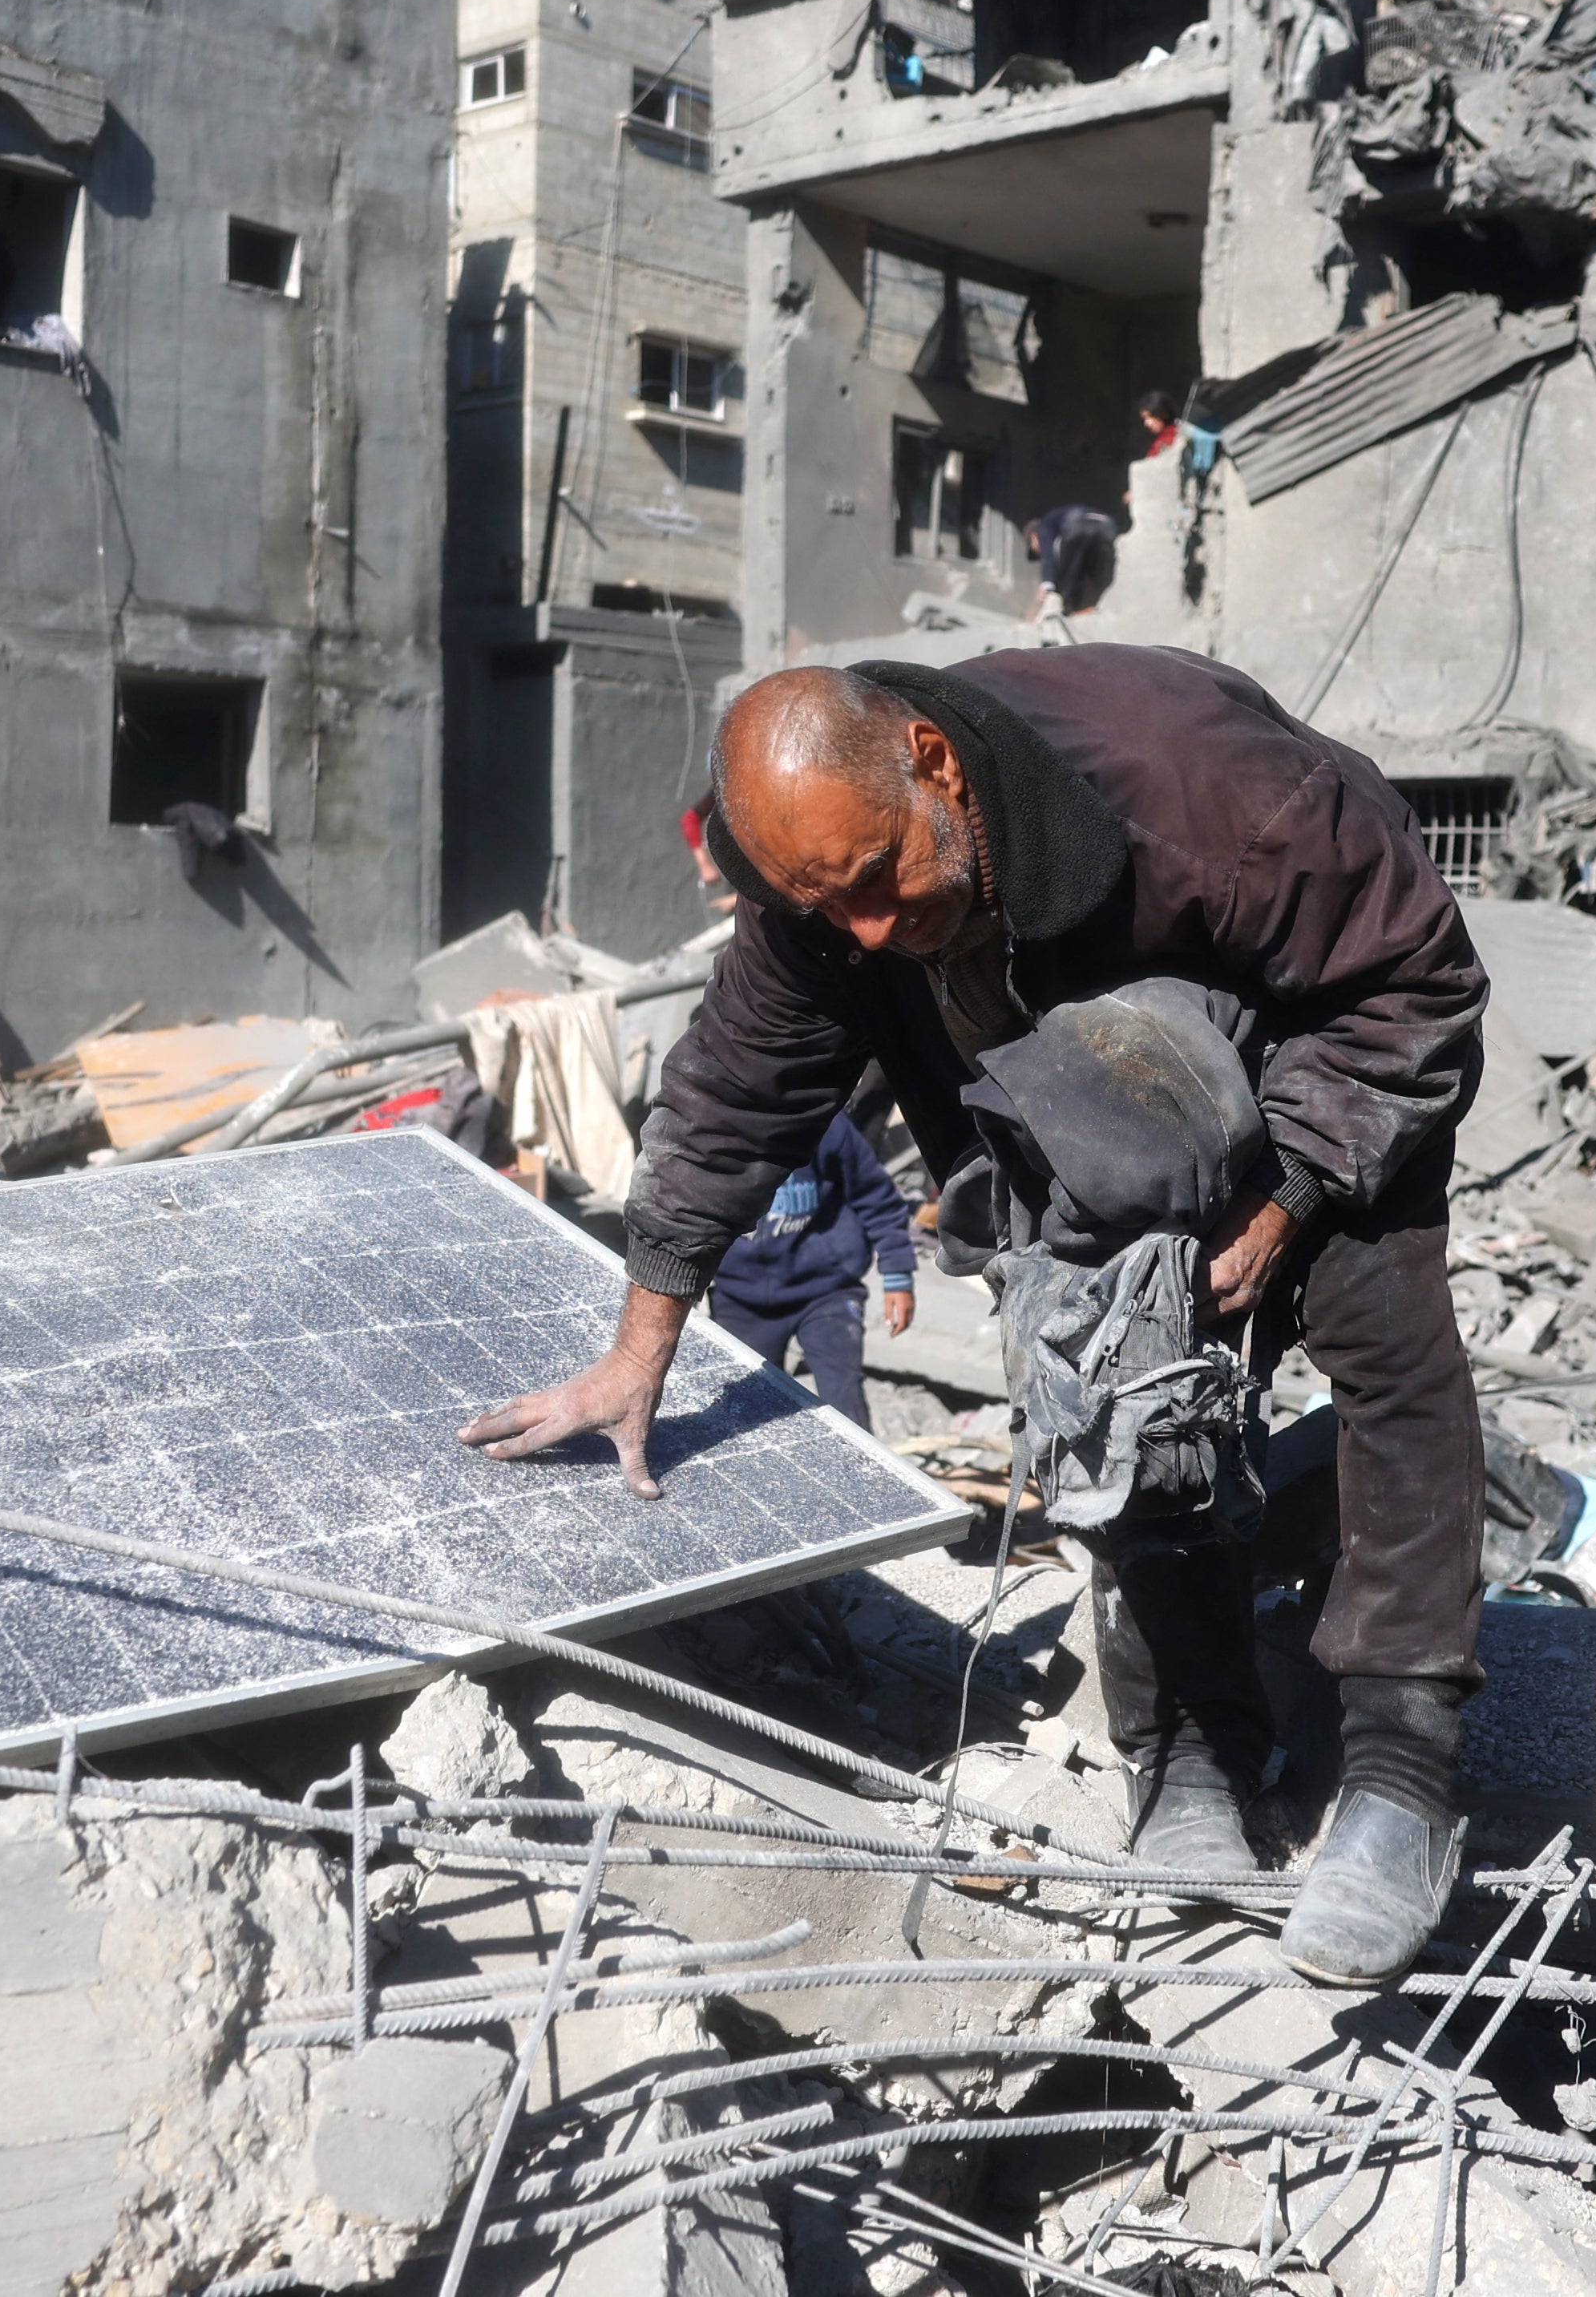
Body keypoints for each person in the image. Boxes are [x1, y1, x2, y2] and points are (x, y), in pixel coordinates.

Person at [460, 647, 1491, 1986]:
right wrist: (637, 1350)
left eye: (888, 879)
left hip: (1328, 1049)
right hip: (1088, 1103)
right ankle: (1193, 1742)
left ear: (936, 767)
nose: (872, 932)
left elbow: (1415, 990)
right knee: (1108, 1397)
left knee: (1388, 1358)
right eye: (836, 908)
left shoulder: (1222, 801)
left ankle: (1401, 1777)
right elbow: (732, 1094)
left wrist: (1289, 1194)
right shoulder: (829, 880)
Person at [704, 1106, 915, 1430]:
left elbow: (878, 1199)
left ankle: (853, 1473)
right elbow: (683, 1216)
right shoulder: (708, 1130)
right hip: (740, 1298)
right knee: (749, 1412)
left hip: (826, 1290)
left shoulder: (826, 1125)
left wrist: (898, 1275)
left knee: (844, 1399)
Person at [1024, 502, 1122, 619]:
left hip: (1078, 524)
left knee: (1067, 568)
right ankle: (1088, 606)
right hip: (1107, 525)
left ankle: (1069, 609)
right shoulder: (1060, 518)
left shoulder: (1044, 525)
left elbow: (1048, 555)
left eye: (1035, 550)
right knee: (1096, 570)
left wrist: (1047, 583)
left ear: (1034, 537)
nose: (1038, 553)